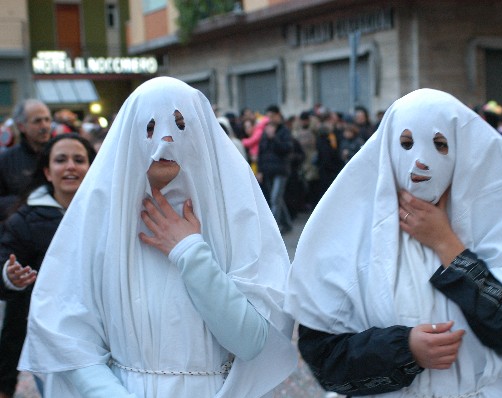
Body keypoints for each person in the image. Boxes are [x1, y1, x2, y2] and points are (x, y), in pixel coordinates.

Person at [285, 88, 502, 397]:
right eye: (406, 144)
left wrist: (448, 246)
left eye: (439, 145)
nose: (421, 161)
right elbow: (324, 358)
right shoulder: (347, 232)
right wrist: (405, 351)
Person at [18, 77, 297, 397]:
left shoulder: (234, 218)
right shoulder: (99, 221)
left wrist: (190, 252)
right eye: (149, 127)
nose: (165, 138)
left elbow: (251, 341)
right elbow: (67, 335)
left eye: (180, 124)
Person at [0, 133, 96, 398]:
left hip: (98, 333)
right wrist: (10, 277)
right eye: (60, 160)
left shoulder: (108, 213)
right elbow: (4, 262)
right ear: (47, 171)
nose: (70, 167)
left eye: (79, 160)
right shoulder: (24, 219)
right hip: (46, 337)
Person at [0, 99, 52, 221]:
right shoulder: (6, 160)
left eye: (47, 119)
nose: (44, 126)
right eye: (37, 121)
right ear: (21, 126)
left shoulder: (60, 154)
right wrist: (24, 203)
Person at [257, 106, 293, 234]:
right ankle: (287, 224)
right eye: (269, 116)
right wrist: (260, 170)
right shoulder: (266, 131)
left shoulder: (284, 131)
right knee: (277, 199)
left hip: (280, 170)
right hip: (268, 170)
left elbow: (287, 149)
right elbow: (261, 151)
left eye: (272, 116)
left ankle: (273, 230)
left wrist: (274, 138)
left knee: (275, 198)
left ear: (278, 115)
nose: (270, 119)